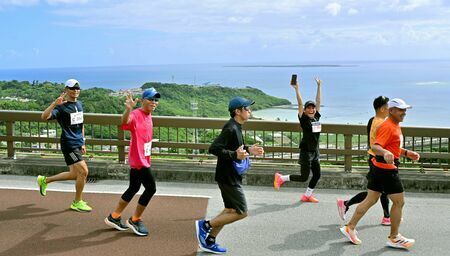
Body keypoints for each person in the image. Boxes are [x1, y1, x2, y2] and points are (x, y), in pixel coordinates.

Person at [340, 98, 420, 249]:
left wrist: (407, 153)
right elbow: (375, 146)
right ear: (391, 111)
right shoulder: (388, 126)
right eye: (401, 110)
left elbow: (392, 146)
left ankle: (349, 227)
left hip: (379, 168)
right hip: (387, 170)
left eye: (405, 110)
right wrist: (385, 152)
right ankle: (394, 237)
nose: (404, 113)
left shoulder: (395, 125)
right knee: (399, 202)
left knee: (370, 199)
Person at [195, 96, 264, 254]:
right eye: (247, 108)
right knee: (241, 212)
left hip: (230, 175)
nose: (250, 111)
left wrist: (248, 150)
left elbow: (235, 148)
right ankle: (204, 225)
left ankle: (209, 241)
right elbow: (214, 148)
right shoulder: (231, 128)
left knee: (230, 211)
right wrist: (235, 155)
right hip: (227, 176)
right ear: (237, 111)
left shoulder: (237, 126)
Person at [104, 88, 160, 236]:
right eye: (150, 99)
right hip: (139, 161)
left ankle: (114, 216)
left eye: (156, 100)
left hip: (141, 159)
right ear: (142, 100)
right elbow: (124, 122)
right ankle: (135, 219)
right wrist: (128, 109)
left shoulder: (149, 115)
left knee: (133, 188)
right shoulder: (136, 114)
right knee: (151, 189)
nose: (154, 102)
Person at [37, 79, 92, 212]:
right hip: (69, 144)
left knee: (74, 174)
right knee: (84, 171)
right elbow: (44, 117)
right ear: (66, 90)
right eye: (73, 88)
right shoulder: (61, 107)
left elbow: (81, 125)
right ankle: (77, 202)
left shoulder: (79, 104)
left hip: (77, 143)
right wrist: (54, 104)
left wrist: (83, 142)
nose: (76, 91)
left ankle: (45, 180)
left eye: (78, 88)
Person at [337, 96, 391, 225]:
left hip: (375, 158)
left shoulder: (372, 120)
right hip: (378, 159)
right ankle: (346, 205)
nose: (390, 109)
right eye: (388, 107)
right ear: (383, 108)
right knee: (374, 193)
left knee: (382, 190)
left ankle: (387, 217)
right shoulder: (381, 123)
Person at [273, 77, 322, 202]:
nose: (311, 109)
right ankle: (281, 178)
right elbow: (300, 103)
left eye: (313, 108)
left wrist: (319, 86)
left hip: (315, 151)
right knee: (303, 177)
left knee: (317, 175)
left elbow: (318, 101)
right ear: (304, 110)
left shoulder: (316, 118)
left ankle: (307, 195)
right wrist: (297, 89)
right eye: (308, 108)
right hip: (306, 152)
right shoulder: (304, 119)